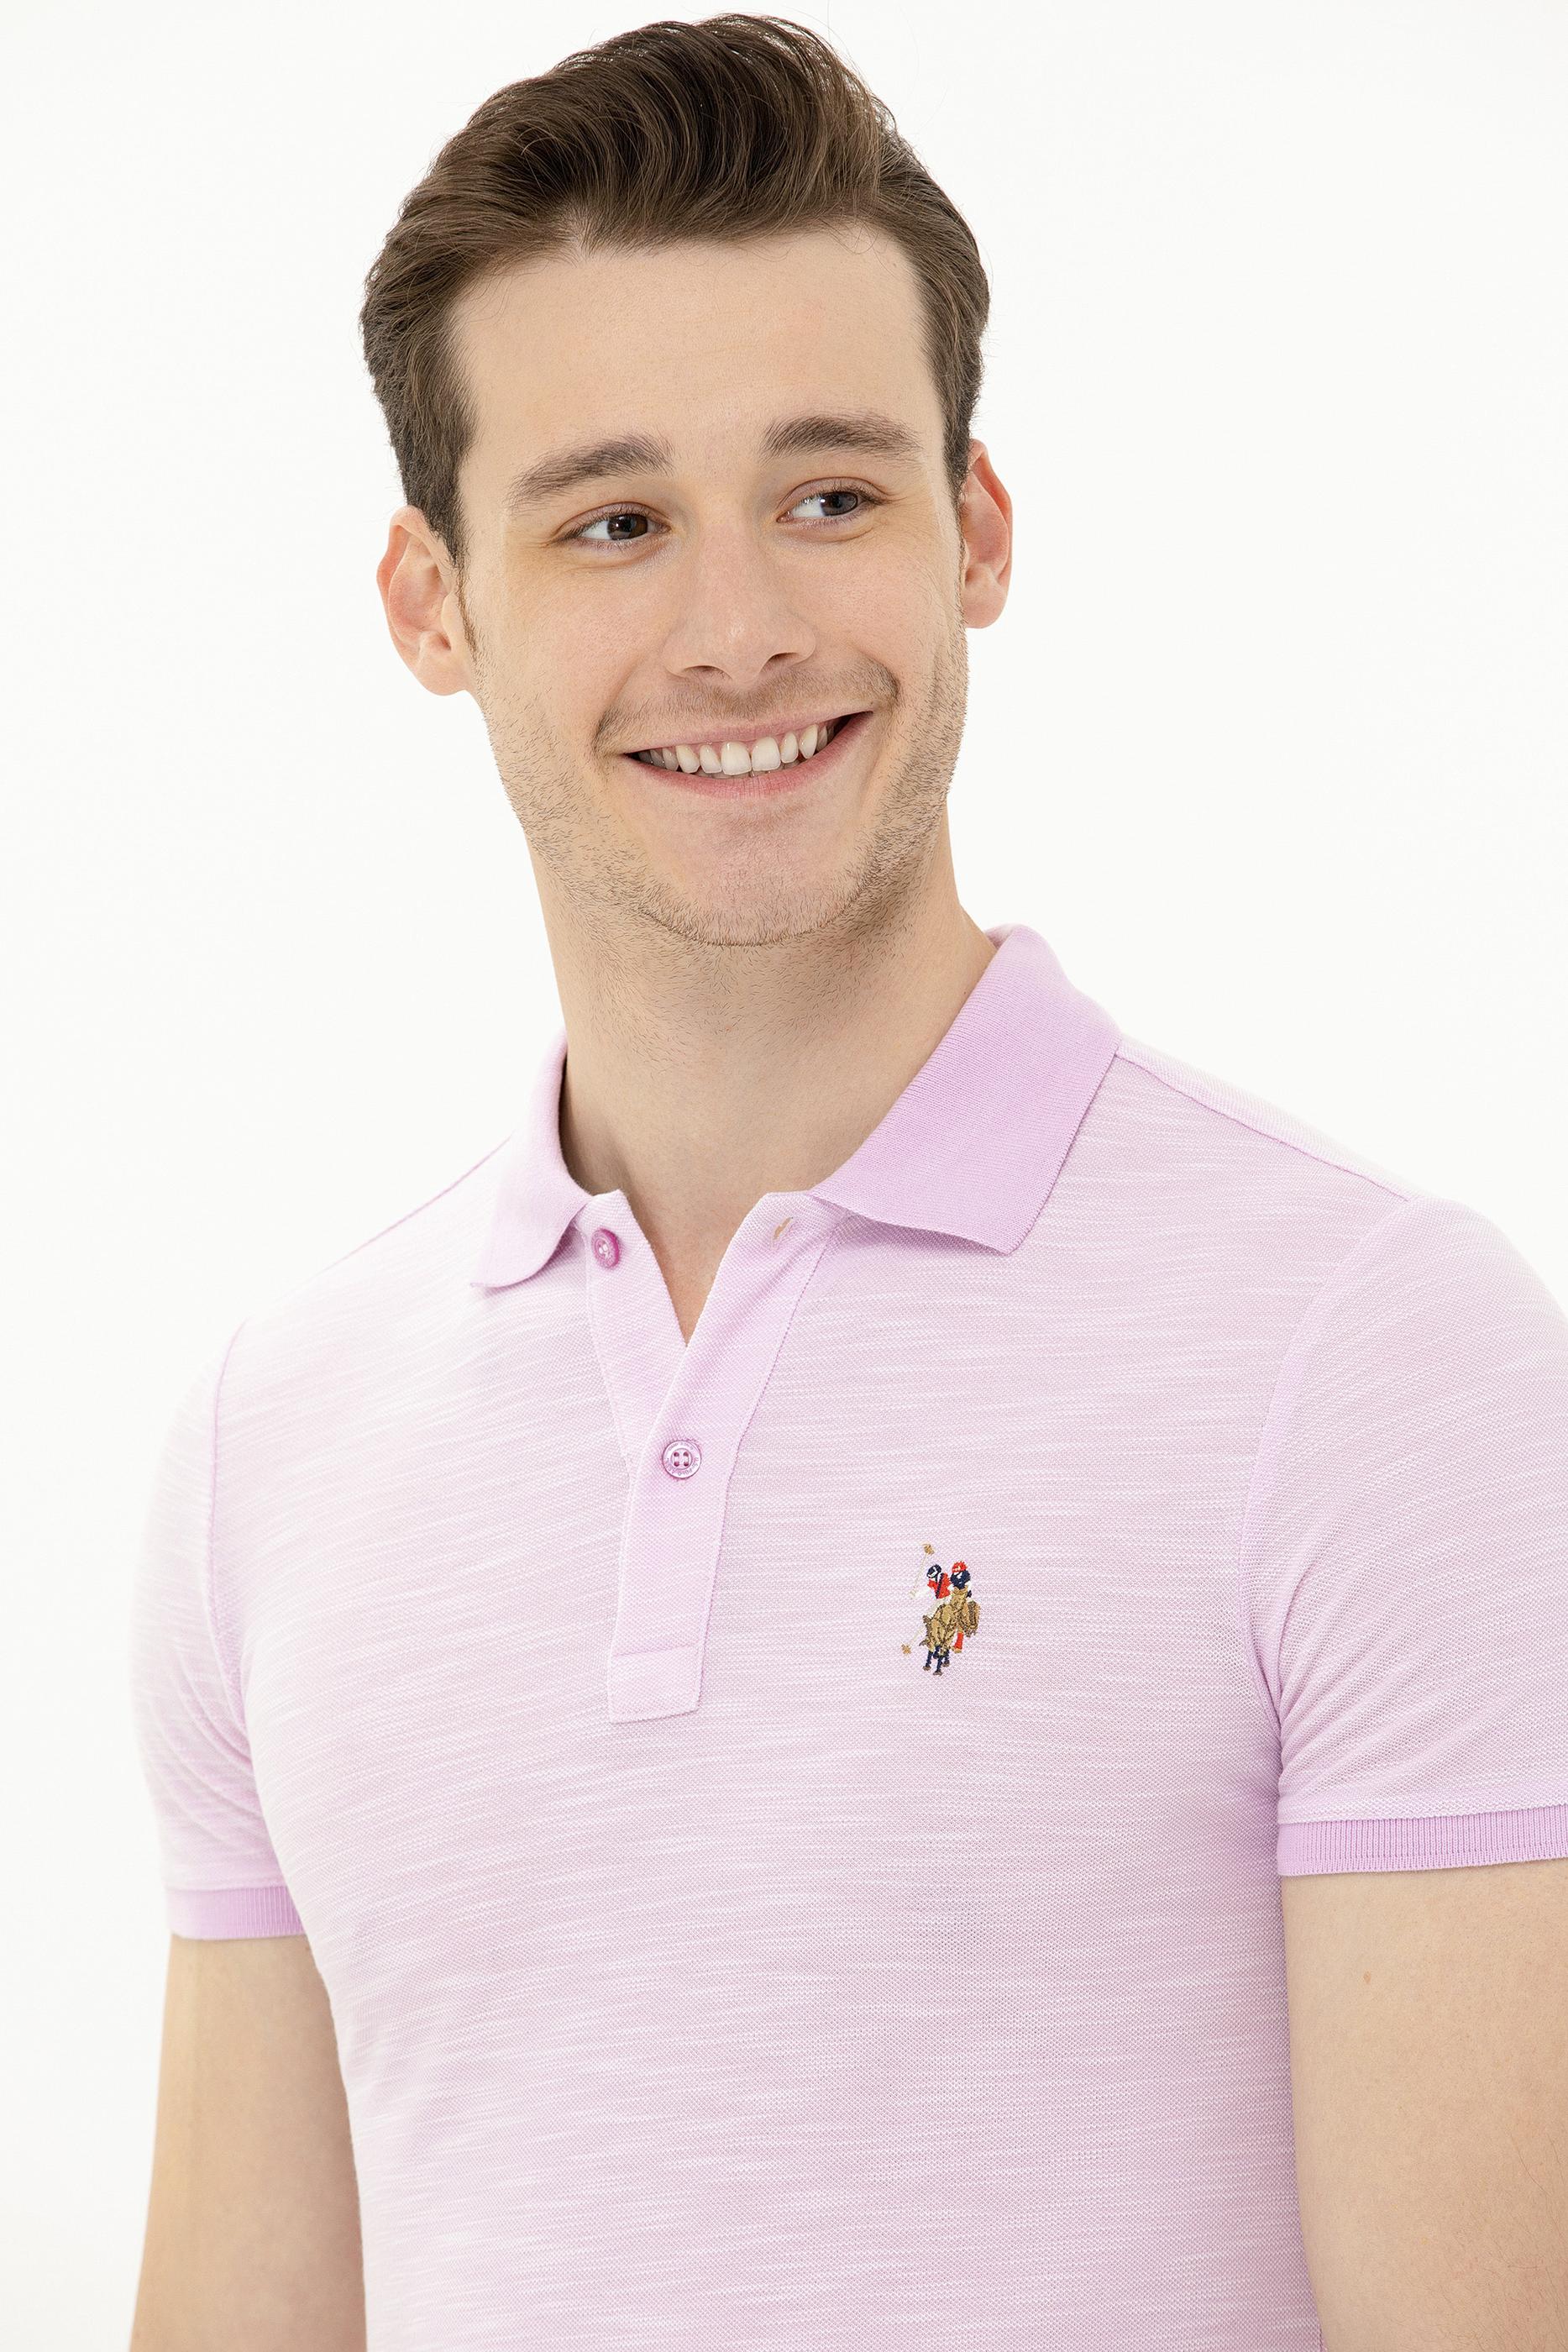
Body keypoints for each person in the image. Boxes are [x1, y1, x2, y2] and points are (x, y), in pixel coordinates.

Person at [127, 16, 1568, 2350]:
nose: (741, 634)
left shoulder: (1373, 1357)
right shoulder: (268, 1449)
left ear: (974, 531)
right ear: (430, 603)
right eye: (611, 522)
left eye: (828, 496)